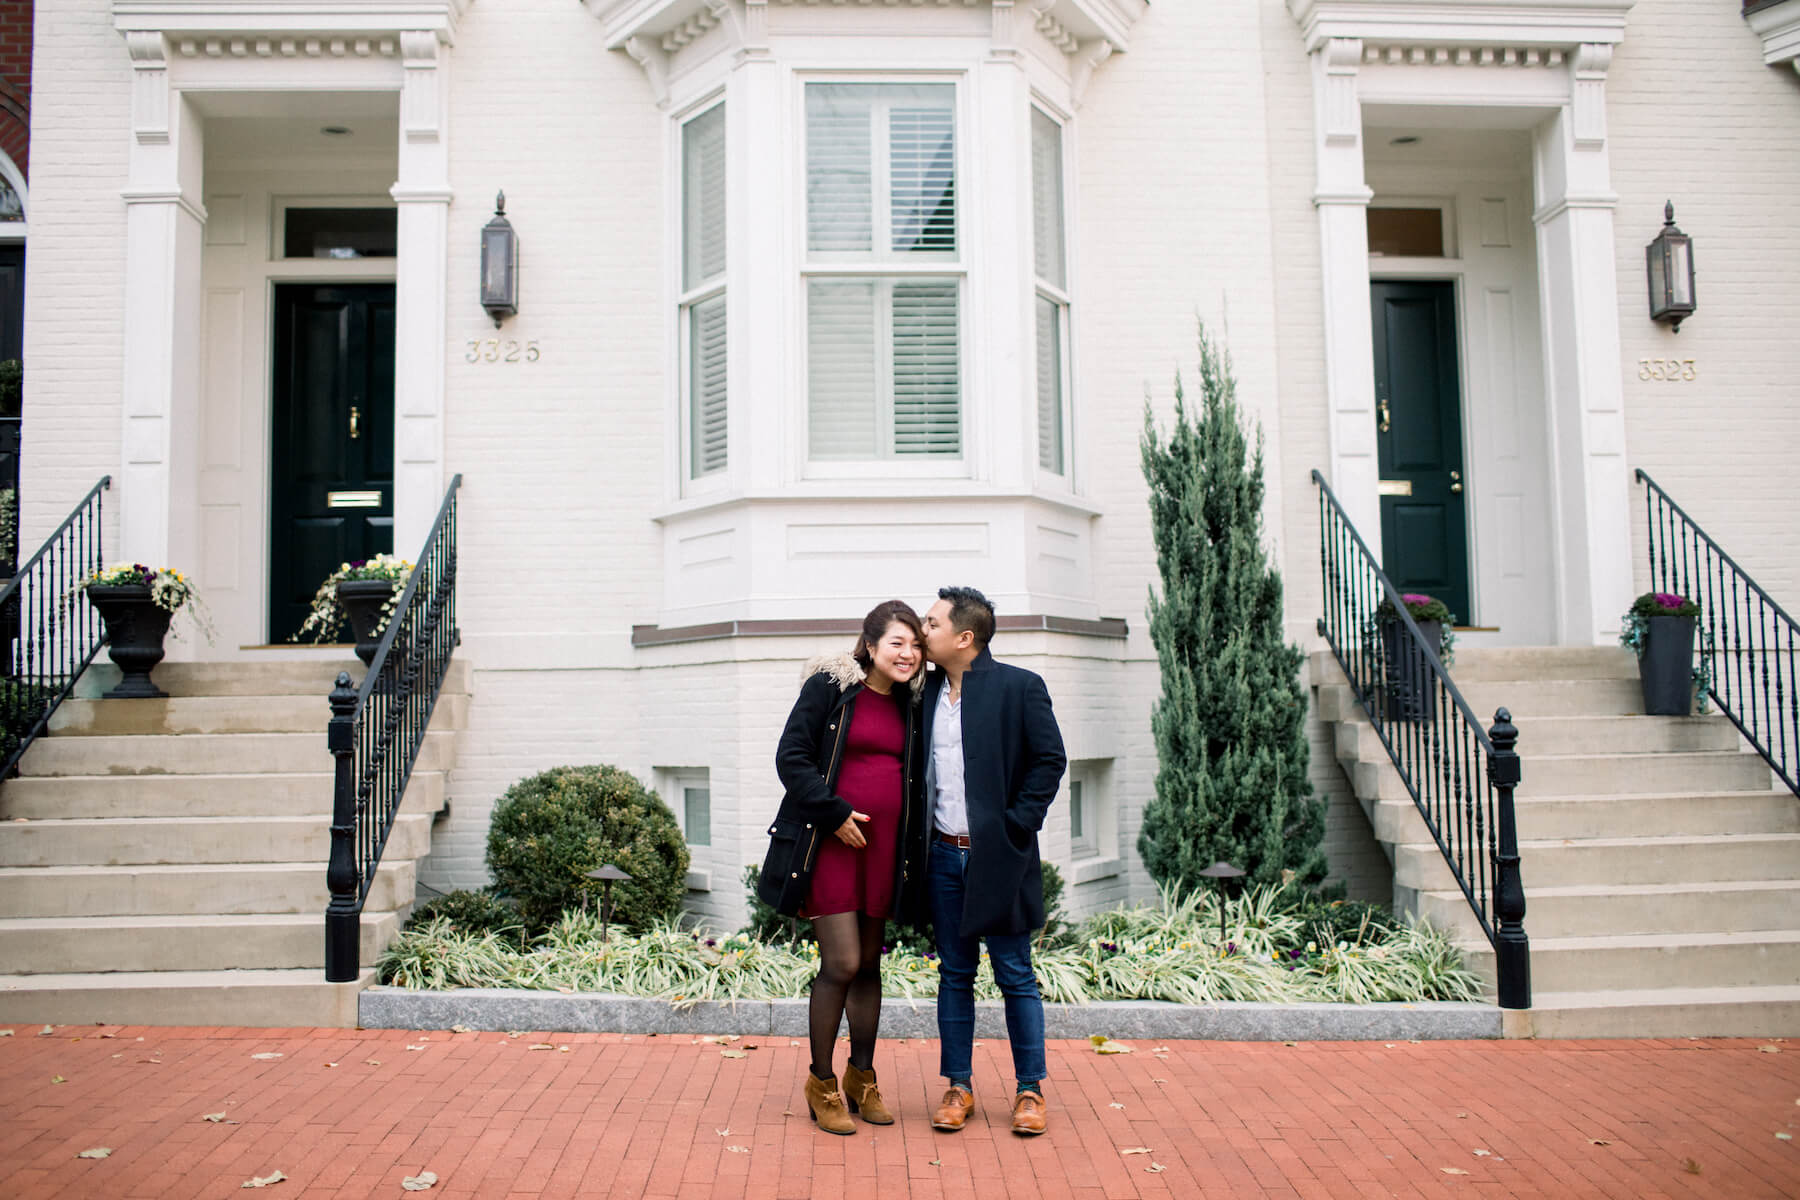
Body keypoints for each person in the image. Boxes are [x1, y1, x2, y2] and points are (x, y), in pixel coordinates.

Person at [760, 600, 928, 1135]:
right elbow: (792, 757)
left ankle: (862, 1075)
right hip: (831, 845)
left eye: (917, 644)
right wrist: (833, 814)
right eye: (898, 643)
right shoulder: (831, 687)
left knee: (871, 966)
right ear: (872, 644)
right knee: (843, 963)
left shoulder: (913, 703)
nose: (909, 654)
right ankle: (821, 1081)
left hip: (884, 851)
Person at [919, 585, 1066, 1137]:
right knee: (955, 975)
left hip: (1000, 858)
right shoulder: (923, 692)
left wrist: (1016, 825)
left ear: (965, 636)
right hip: (941, 856)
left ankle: (1030, 1090)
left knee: (1015, 976)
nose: (921, 629)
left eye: (931, 623)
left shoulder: (1020, 688)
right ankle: (958, 1085)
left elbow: (1049, 761)